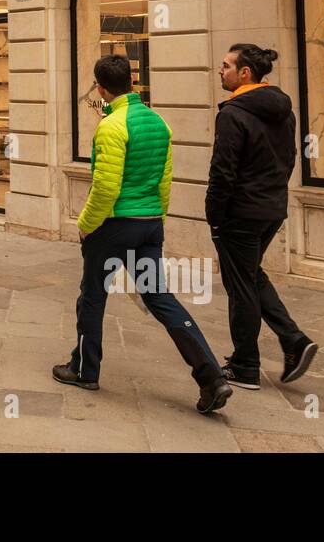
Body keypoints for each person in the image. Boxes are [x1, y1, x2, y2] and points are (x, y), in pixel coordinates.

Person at [52, 55, 233, 415]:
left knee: (92, 297)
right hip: (149, 222)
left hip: (115, 224)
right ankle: (211, 376)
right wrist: (158, 216)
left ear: (101, 89)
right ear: (132, 83)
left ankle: (84, 370)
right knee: (159, 297)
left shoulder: (111, 126)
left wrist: (86, 224)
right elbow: (166, 177)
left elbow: (105, 186)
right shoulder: (157, 121)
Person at [208, 44, 317, 390]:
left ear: (244, 73)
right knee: (251, 276)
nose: (220, 71)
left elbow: (222, 172)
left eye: (225, 66)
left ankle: (245, 365)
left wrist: (214, 213)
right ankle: (294, 340)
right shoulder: (284, 110)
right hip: (271, 208)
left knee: (240, 287)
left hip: (239, 213)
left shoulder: (232, 114)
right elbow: (289, 159)